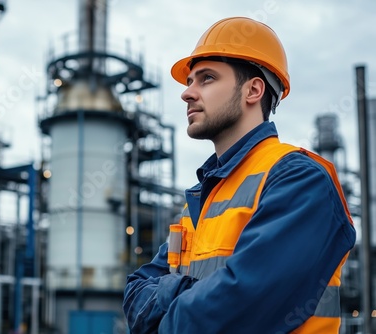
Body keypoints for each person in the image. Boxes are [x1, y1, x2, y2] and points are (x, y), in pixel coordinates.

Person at [123, 16, 356, 333]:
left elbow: (239, 311)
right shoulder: (201, 199)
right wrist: (185, 296)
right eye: (189, 81)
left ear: (253, 90)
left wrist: (168, 298)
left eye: (206, 79)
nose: (187, 93)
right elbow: (135, 292)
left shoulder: (299, 178)